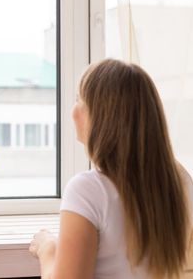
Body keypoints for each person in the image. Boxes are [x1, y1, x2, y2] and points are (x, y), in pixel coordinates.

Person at [29, 59, 193, 278]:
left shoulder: (87, 190)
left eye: (79, 99)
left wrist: (48, 248)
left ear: (99, 116)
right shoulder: (180, 179)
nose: (73, 110)